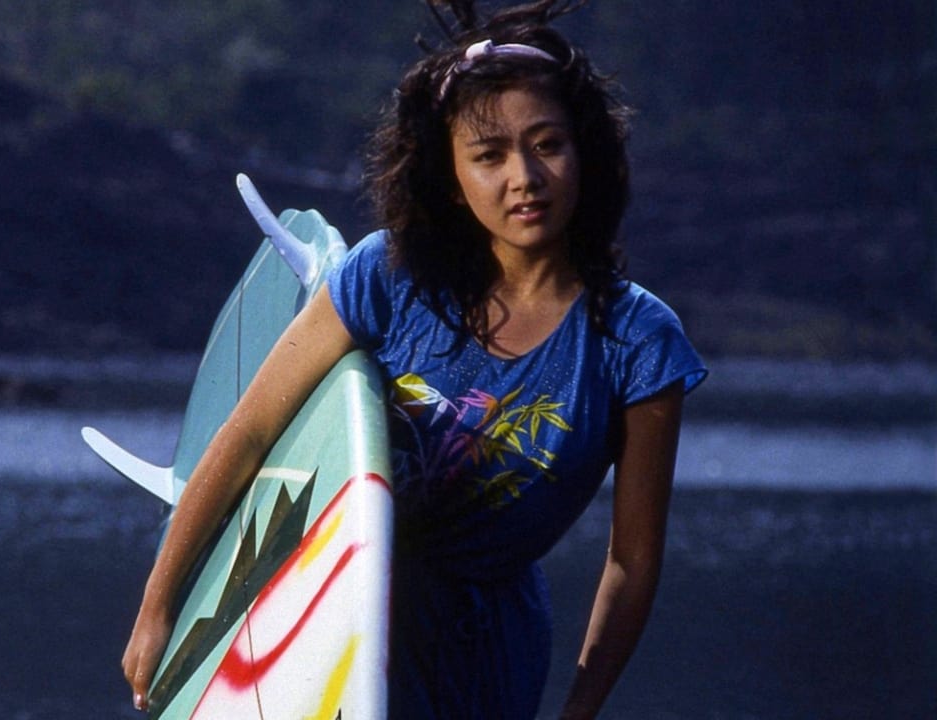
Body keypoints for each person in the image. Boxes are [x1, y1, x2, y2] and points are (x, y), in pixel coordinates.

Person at [122, 1, 708, 717]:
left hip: (488, 646)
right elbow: (248, 436)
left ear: (585, 150)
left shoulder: (638, 341)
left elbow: (632, 561)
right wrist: (160, 607)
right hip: (333, 599)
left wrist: (578, 709)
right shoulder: (389, 277)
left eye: (547, 144)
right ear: (450, 174)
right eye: (489, 155)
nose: (524, 176)